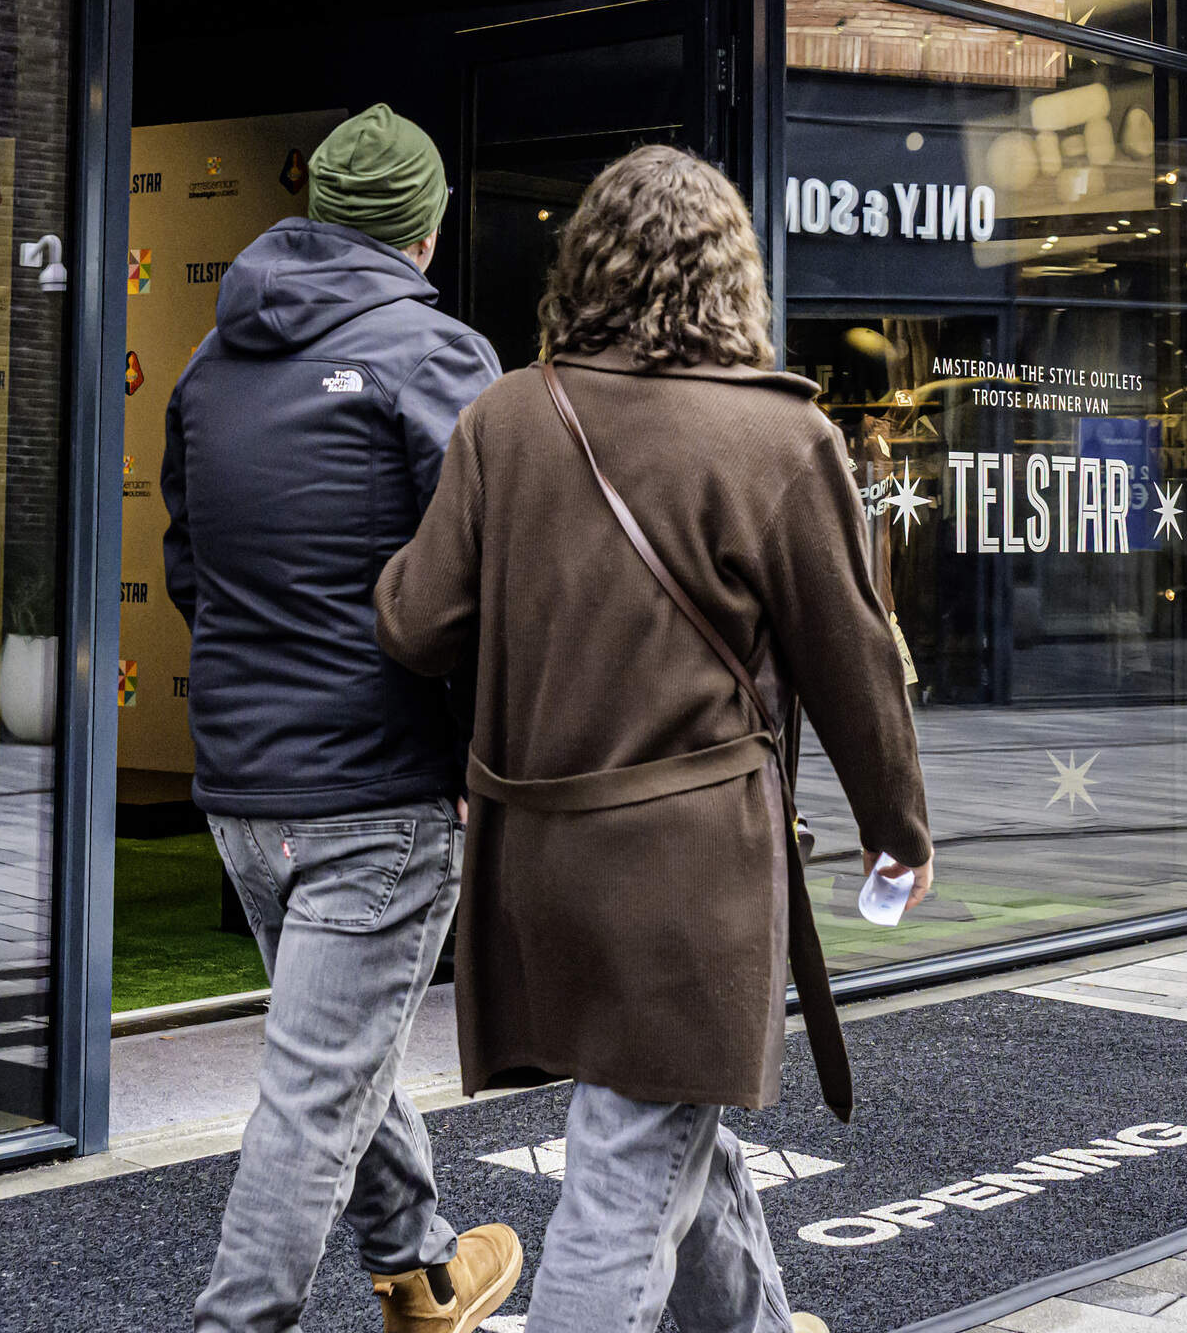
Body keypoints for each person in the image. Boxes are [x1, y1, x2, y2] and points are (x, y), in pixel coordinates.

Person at [381, 146, 930, 1333]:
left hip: (536, 868)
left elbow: (416, 624)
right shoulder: (779, 437)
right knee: (624, 1182)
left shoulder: (505, 419)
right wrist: (899, 830)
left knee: (670, 1123)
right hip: (688, 882)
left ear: (587, 266)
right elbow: (856, 669)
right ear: (733, 276)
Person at [164, 103, 518, 1333]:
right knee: (316, 1093)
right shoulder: (440, 357)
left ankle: (422, 1270)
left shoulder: (211, 363)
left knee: (336, 1049)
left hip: (244, 789)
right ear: (426, 229)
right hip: (380, 791)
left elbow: (188, 570)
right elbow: (489, 589)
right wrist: (483, 755)